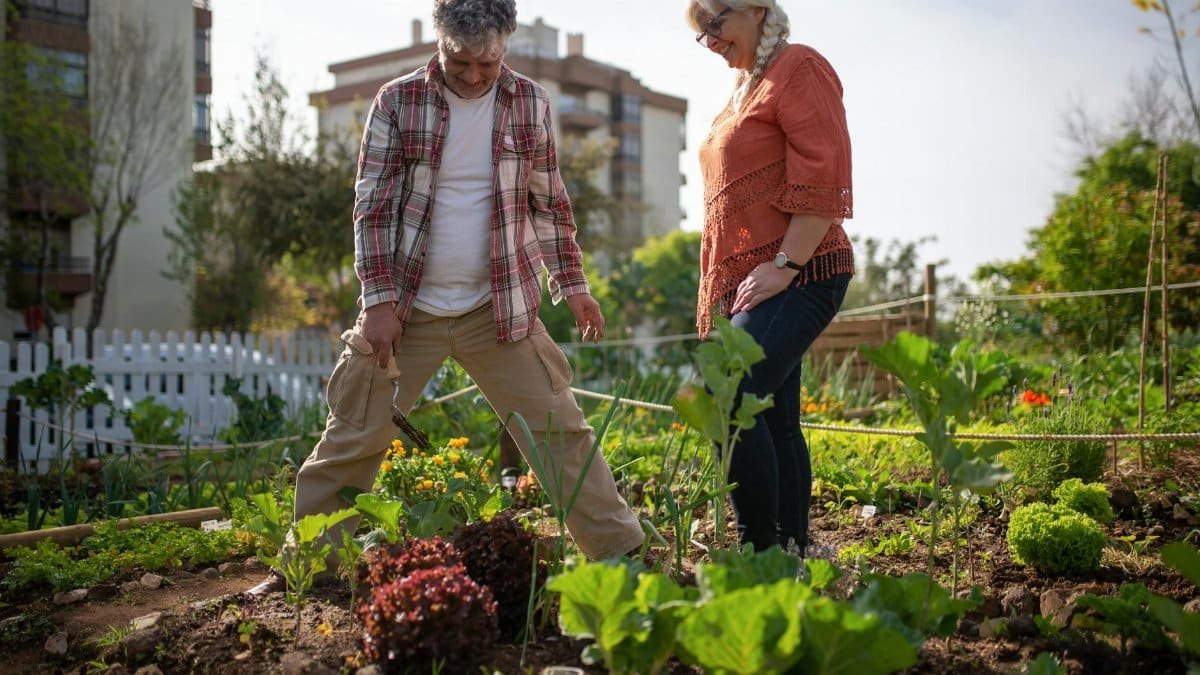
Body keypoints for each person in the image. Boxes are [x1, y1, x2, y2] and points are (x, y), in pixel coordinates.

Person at [247, 0, 644, 596]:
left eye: (488, 62)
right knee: (355, 431)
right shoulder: (397, 101)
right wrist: (378, 302)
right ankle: (305, 569)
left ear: (506, 44)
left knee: (560, 429)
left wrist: (574, 286)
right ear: (440, 42)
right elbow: (372, 206)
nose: (475, 75)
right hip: (408, 311)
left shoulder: (529, 102)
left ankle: (623, 553)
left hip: (499, 308)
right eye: (461, 62)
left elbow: (548, 203)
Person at [687, 0, 855, 555]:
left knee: (726, 393)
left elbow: (823, 169)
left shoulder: (798, 67)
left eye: (717, 20)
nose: (710, 38)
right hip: (756, 280)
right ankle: (793, 549)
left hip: (802, 271)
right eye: (701, 31)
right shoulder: (742, 91)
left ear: (758, 7)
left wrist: (785, 265)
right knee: (775, 419)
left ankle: (760, 551)